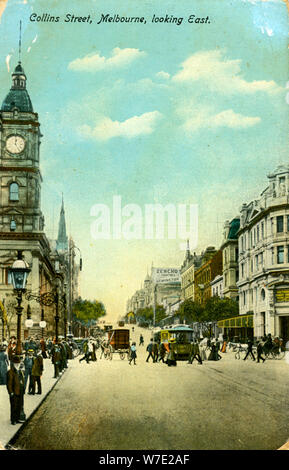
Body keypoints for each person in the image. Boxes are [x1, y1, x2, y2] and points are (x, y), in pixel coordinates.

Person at [6, 355, 26, 425]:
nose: (17, 365)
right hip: (14, 392)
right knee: (14, 406)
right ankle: (13, 420)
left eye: (18, 363)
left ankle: (17, 418)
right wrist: (10, 392)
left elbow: (22, 380)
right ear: (13, 364)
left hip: (20, 391)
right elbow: (9, 384)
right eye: (16, 364)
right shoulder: (10, 372)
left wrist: (23, 389)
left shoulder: (20, 371)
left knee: (19, 405)